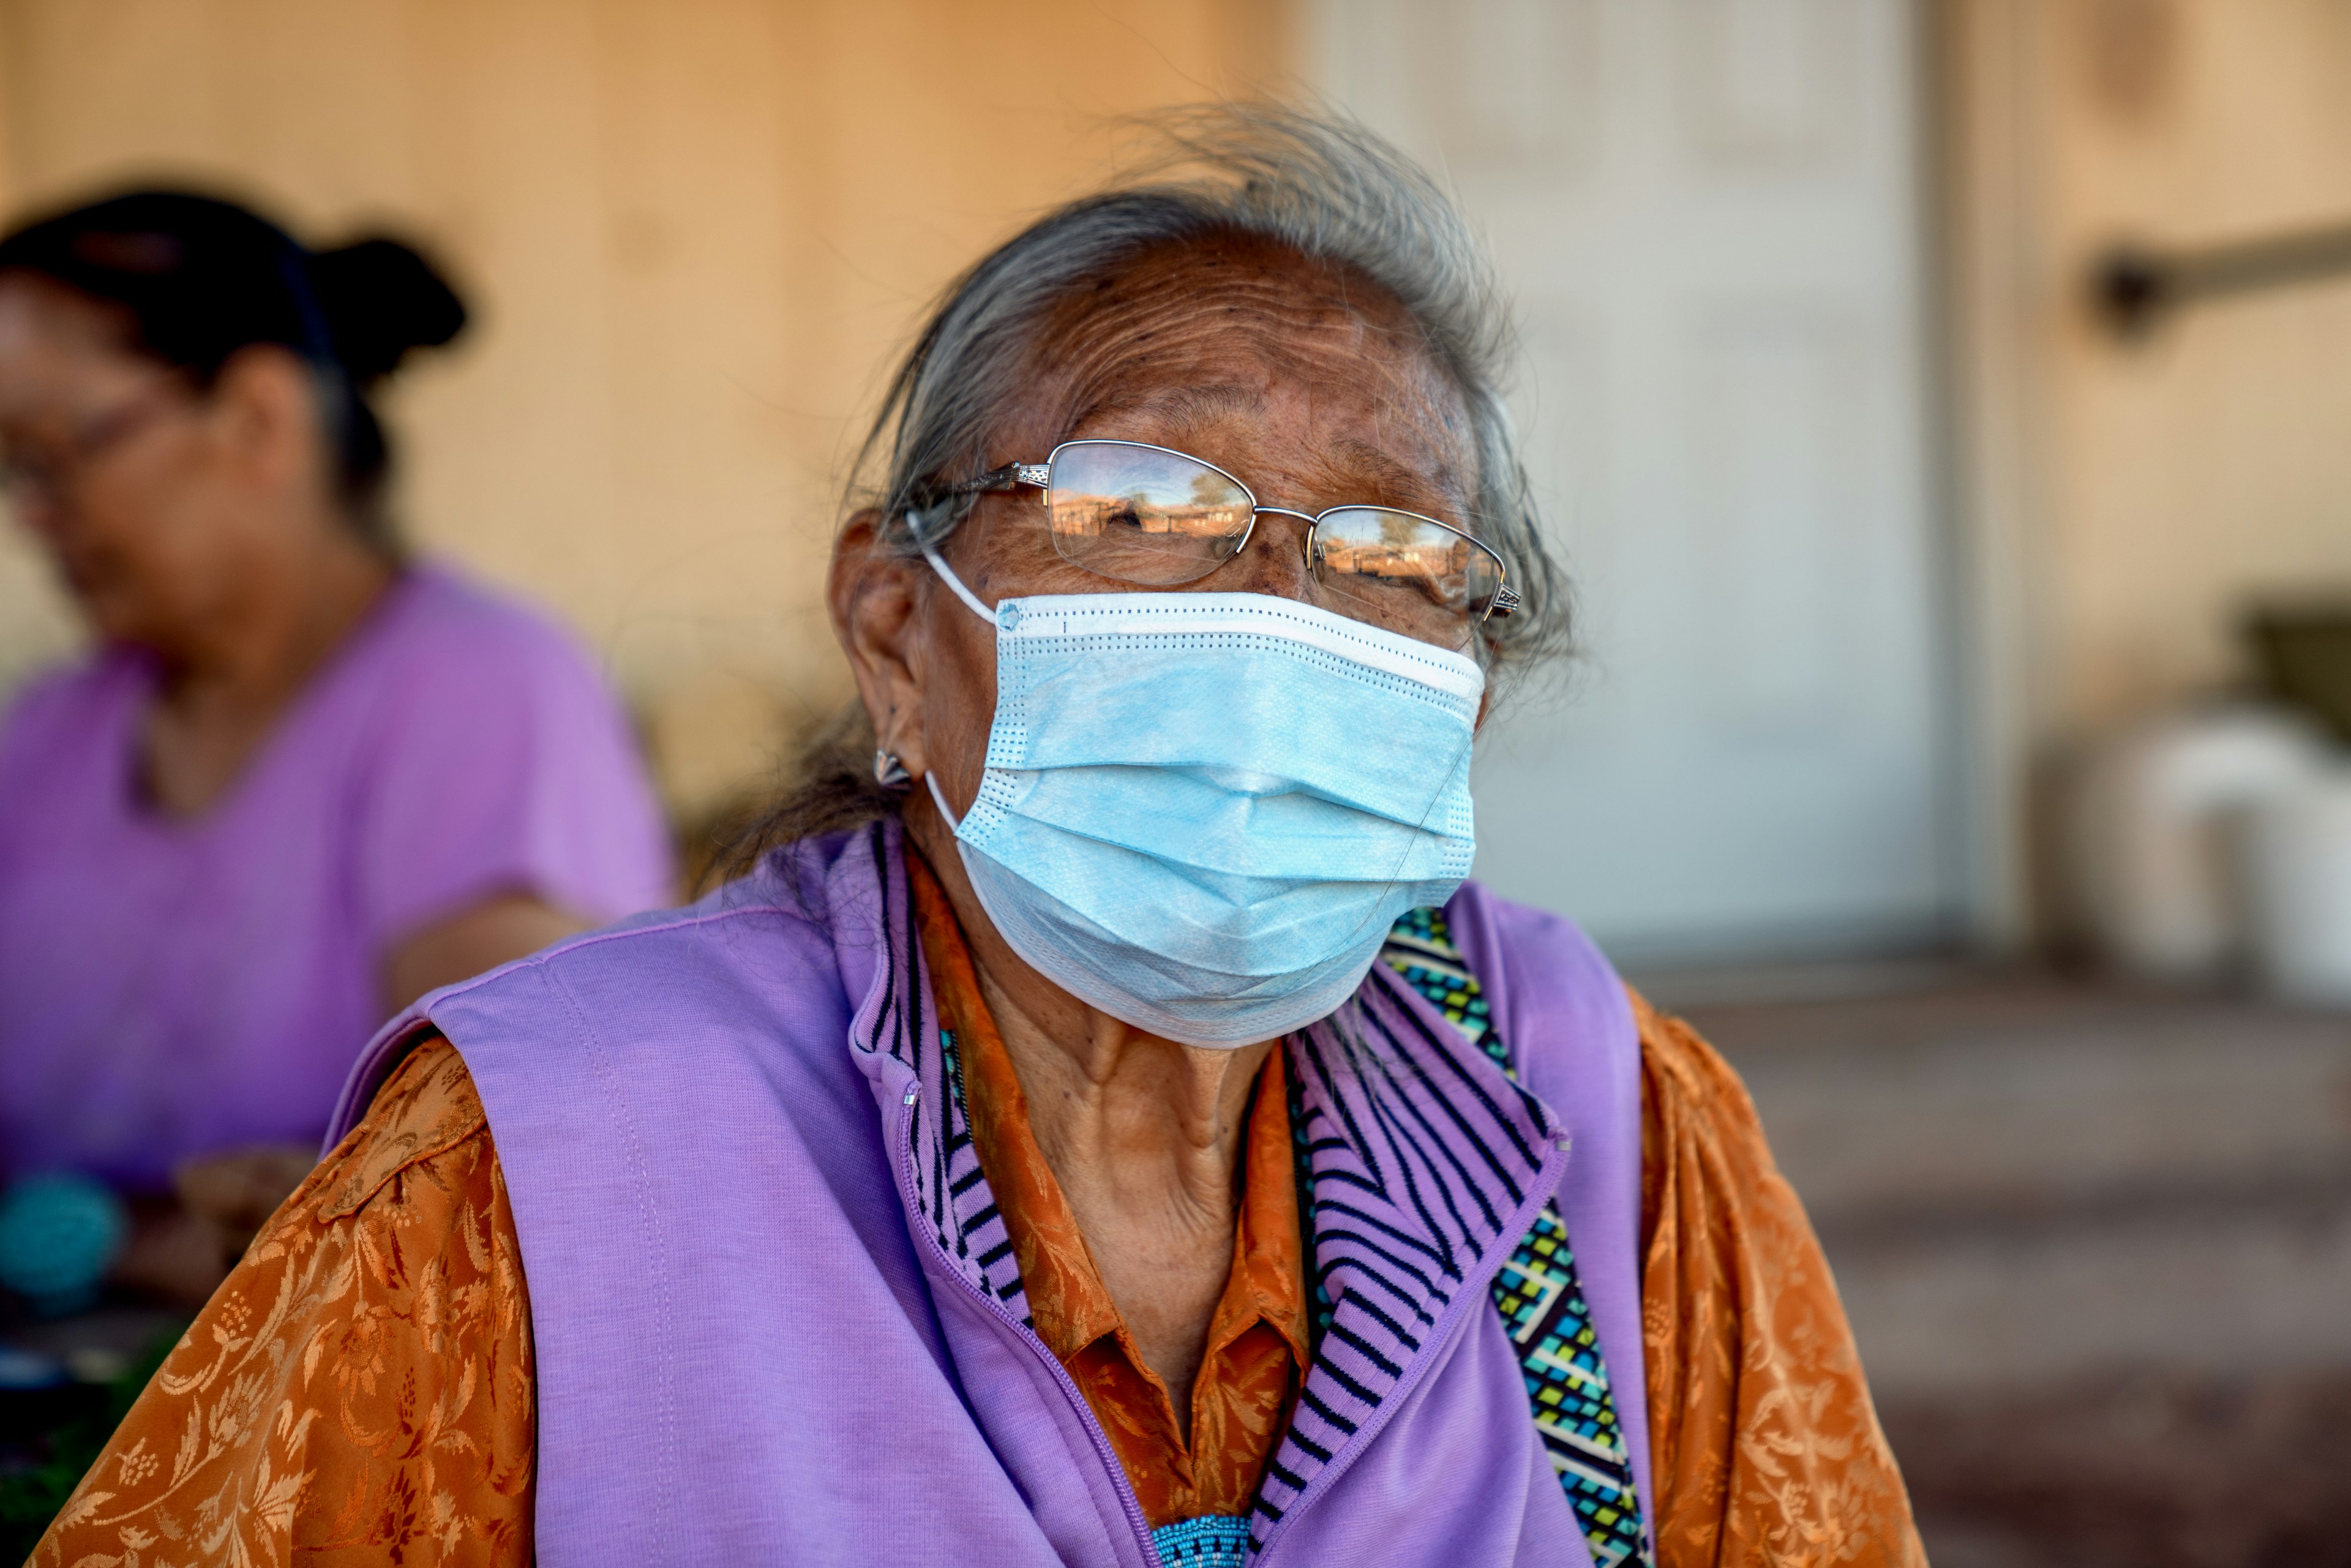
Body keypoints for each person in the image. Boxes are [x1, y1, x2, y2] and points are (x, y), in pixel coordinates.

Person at [36, 112, 1922, 1566]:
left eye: (1394, 554)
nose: (1282, 611)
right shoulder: (528, 1174)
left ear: (1473, 690)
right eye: (1136, 506)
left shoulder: (1610, 1115)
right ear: (892, 631)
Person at [0, 192, 674, 1300]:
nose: (29, 513)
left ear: (258, 416)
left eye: (60, 449)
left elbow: (476, 1188)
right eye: (11, 465)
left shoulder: (478, 692)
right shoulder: (48, 737)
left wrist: (82, 1240)